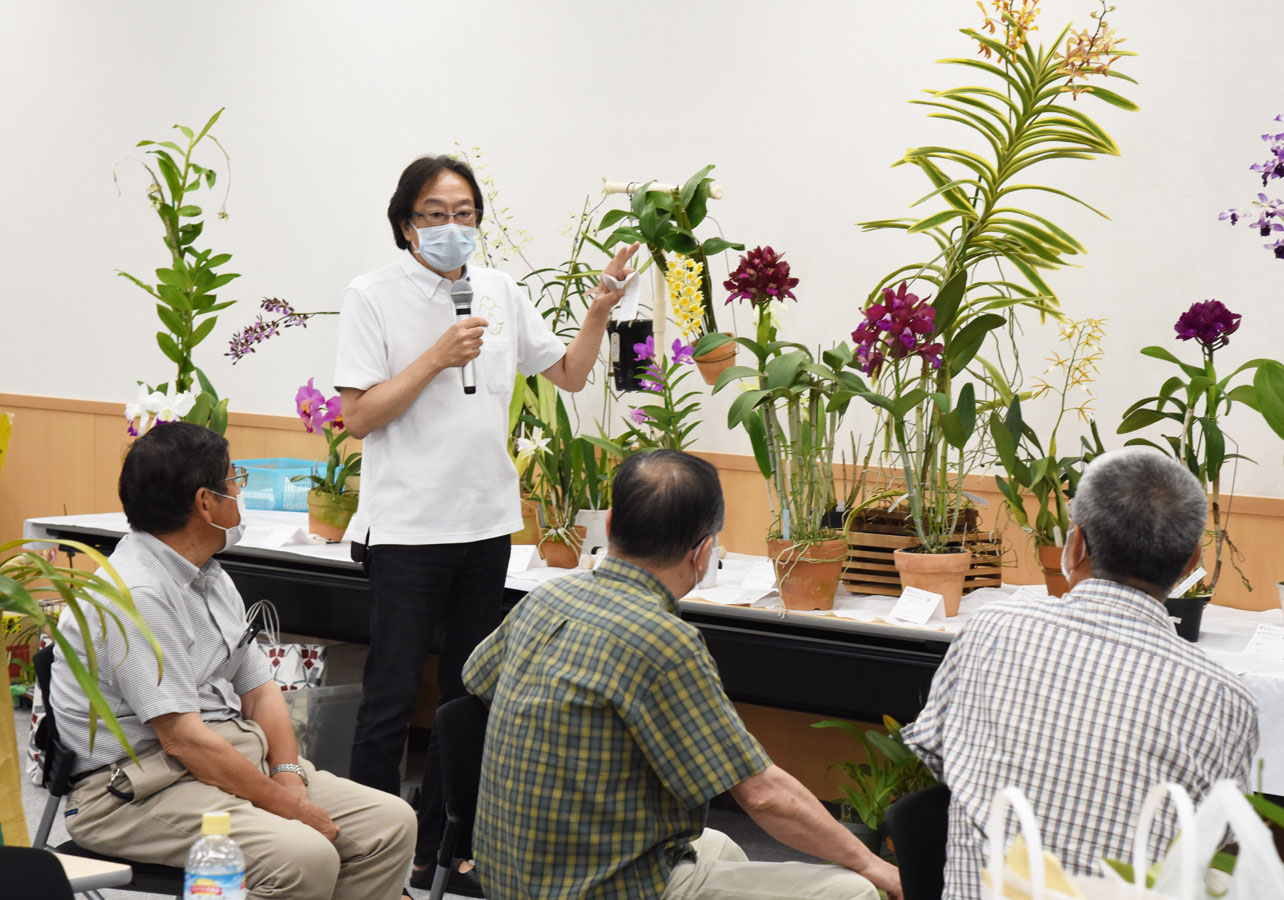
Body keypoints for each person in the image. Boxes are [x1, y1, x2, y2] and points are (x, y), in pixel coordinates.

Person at [334, 153, 639, 893]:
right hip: (407, 528)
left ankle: (441, 849)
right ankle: (369, 850)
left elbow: (566, 374)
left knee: (467, 698)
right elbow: (357, 415)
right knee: (391, 695)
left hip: (485, 525)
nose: (450, 227)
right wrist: (436, 357)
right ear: (406, 225)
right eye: (434, 215)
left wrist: (599, 310)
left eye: (464, 213)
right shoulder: (371, 295)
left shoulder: (499, 291)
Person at [462, 450, 903, 900]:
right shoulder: (664, 641)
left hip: (511, 869)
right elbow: (762, 794)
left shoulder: (547, 597)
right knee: (852, 891)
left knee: (721, 845)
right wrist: (875, 867)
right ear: (704, 550)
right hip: (599, 889)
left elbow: (476, 681)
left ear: (610, 523)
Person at [49, 422, 417, 900]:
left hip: (229, 757)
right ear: (206, 502)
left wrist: (287, 777)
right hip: (136, 788)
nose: (239, 490)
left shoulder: (209, 572)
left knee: (390, 824)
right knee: (304, 857)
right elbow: (184, 741)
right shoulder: (138, 593)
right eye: (233, 478)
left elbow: (261, 688)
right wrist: (291, 809)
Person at [902, 446, 1260, 899]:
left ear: (1075, 545)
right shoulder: (1226, 700)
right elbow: (1213, 840)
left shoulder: (992, 629)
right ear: (1191, 563)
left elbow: (936, 752)